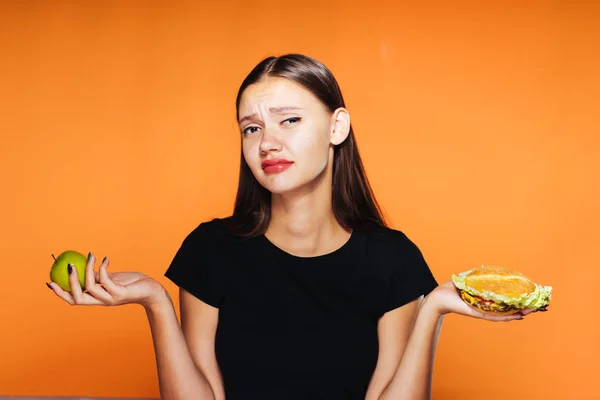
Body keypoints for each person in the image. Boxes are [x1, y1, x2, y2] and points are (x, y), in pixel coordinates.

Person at [46, 54, 535, 400]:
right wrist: (155, 300)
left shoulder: (394, 261)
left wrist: (434, 311)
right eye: (252, 128)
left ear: (337, 128)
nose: (267, 142)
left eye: (290, 120)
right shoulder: (209, 252)